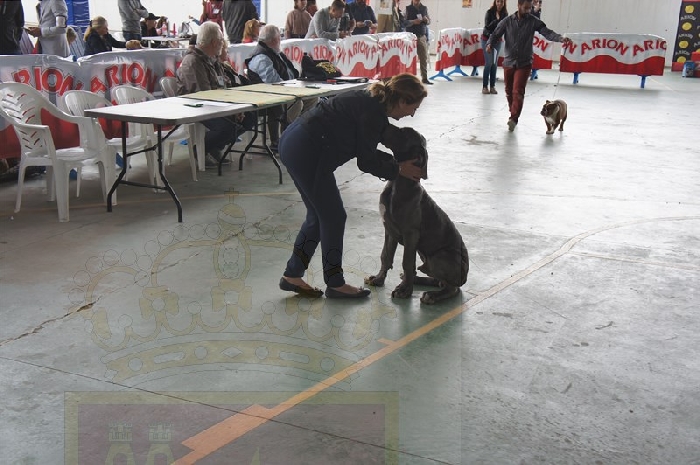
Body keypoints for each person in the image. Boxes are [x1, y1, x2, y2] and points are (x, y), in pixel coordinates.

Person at [277, 74, 427, 299]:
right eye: (413, 108)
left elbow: (364, 148)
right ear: (402, 101)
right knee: (334, 217)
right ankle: (335, 283)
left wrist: (394, 164)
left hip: (294, 142)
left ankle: (293, 275)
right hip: (307, 151)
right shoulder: (373, 113)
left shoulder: (371, 101)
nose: (413, 114)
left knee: (318, 216)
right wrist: (398, 169)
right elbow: (366, 161)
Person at [487, 0, 570, 131]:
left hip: (524, 63)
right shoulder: (507, 21)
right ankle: (513, 112)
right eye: (526, 8)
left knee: (518, 91)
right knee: (509, 91)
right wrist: (489, 44)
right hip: (509, 62)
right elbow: (496, 33)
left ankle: (514, 118)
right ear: (519, 6)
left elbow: (547, 32)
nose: (528, 11)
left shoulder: (533, 21)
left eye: (530, 8)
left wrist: (560, 38)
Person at [176, 21, 248, 167]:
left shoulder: (213, 60)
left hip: (215, 104)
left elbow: (225, 85)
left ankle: (214, 147)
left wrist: (236, 107)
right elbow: (204, 94)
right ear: (214, 42)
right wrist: (230, 110)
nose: (223, 43)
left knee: (249, 117)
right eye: (221, 40)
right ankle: (201, 149)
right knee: (228, 127)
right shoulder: (193, 61)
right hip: (196, 106)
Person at [247, 24, 317, 151]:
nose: (281, 40)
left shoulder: (274, 52)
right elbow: (274, 83)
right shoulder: (262, 57)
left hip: (286, 90)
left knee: (313, 98)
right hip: (270, 95)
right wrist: (294, 89)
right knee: (297, 103)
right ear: (274, 40)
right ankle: (287, 137)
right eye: (279, 38)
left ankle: (298, 130)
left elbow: (290, 72)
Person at [481, 0, 507, 95]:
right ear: (495, 2)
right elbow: (487, 27)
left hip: (497, 41)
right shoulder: (489, 12)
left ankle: (492, 86)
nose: (499, 4)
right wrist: (497, 20)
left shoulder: (505, 14)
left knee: (494, 63)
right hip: (487, 39)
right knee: (488, 63)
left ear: (504, 3)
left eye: (501, 2)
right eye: (498, 1)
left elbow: (504, 28)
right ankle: (484, 87)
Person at [405, 0, 432, 84]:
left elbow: (429, 21)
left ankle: (424, 78)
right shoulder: (408, 8)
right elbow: (403, 22)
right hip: (410, 37)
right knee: (409, 59)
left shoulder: (424, 8)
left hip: (421, 36)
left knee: (423, 58)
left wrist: (426, 20)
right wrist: (413, 22)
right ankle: (408, 79)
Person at [530, 0, 541, 79]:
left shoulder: (538, 8)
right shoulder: (528, 7)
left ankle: (534, 71)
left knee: (535, 53)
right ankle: (533, 71)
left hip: (535, 33)